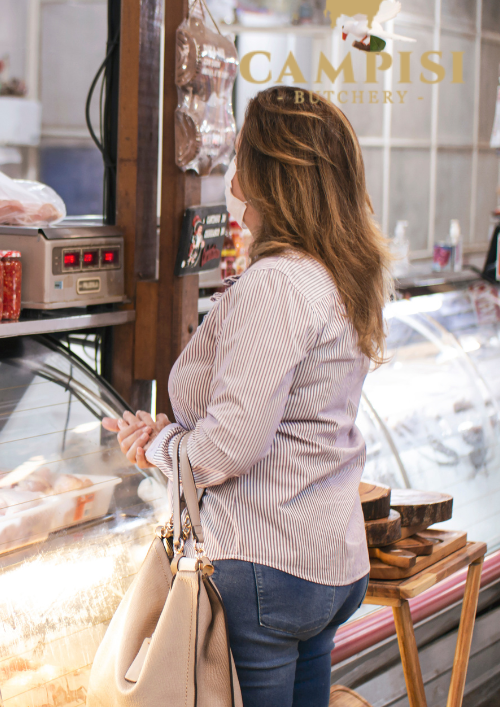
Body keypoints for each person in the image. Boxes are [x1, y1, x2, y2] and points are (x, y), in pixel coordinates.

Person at [103, 86, 392, 707]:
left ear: (274, 177)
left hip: (267, 562)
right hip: (327, 560)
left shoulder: (278, 284)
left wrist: (161, 446)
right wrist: (178, 440)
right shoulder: (341, 274)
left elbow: (231, 445)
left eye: (243, 160)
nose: (233, 183)